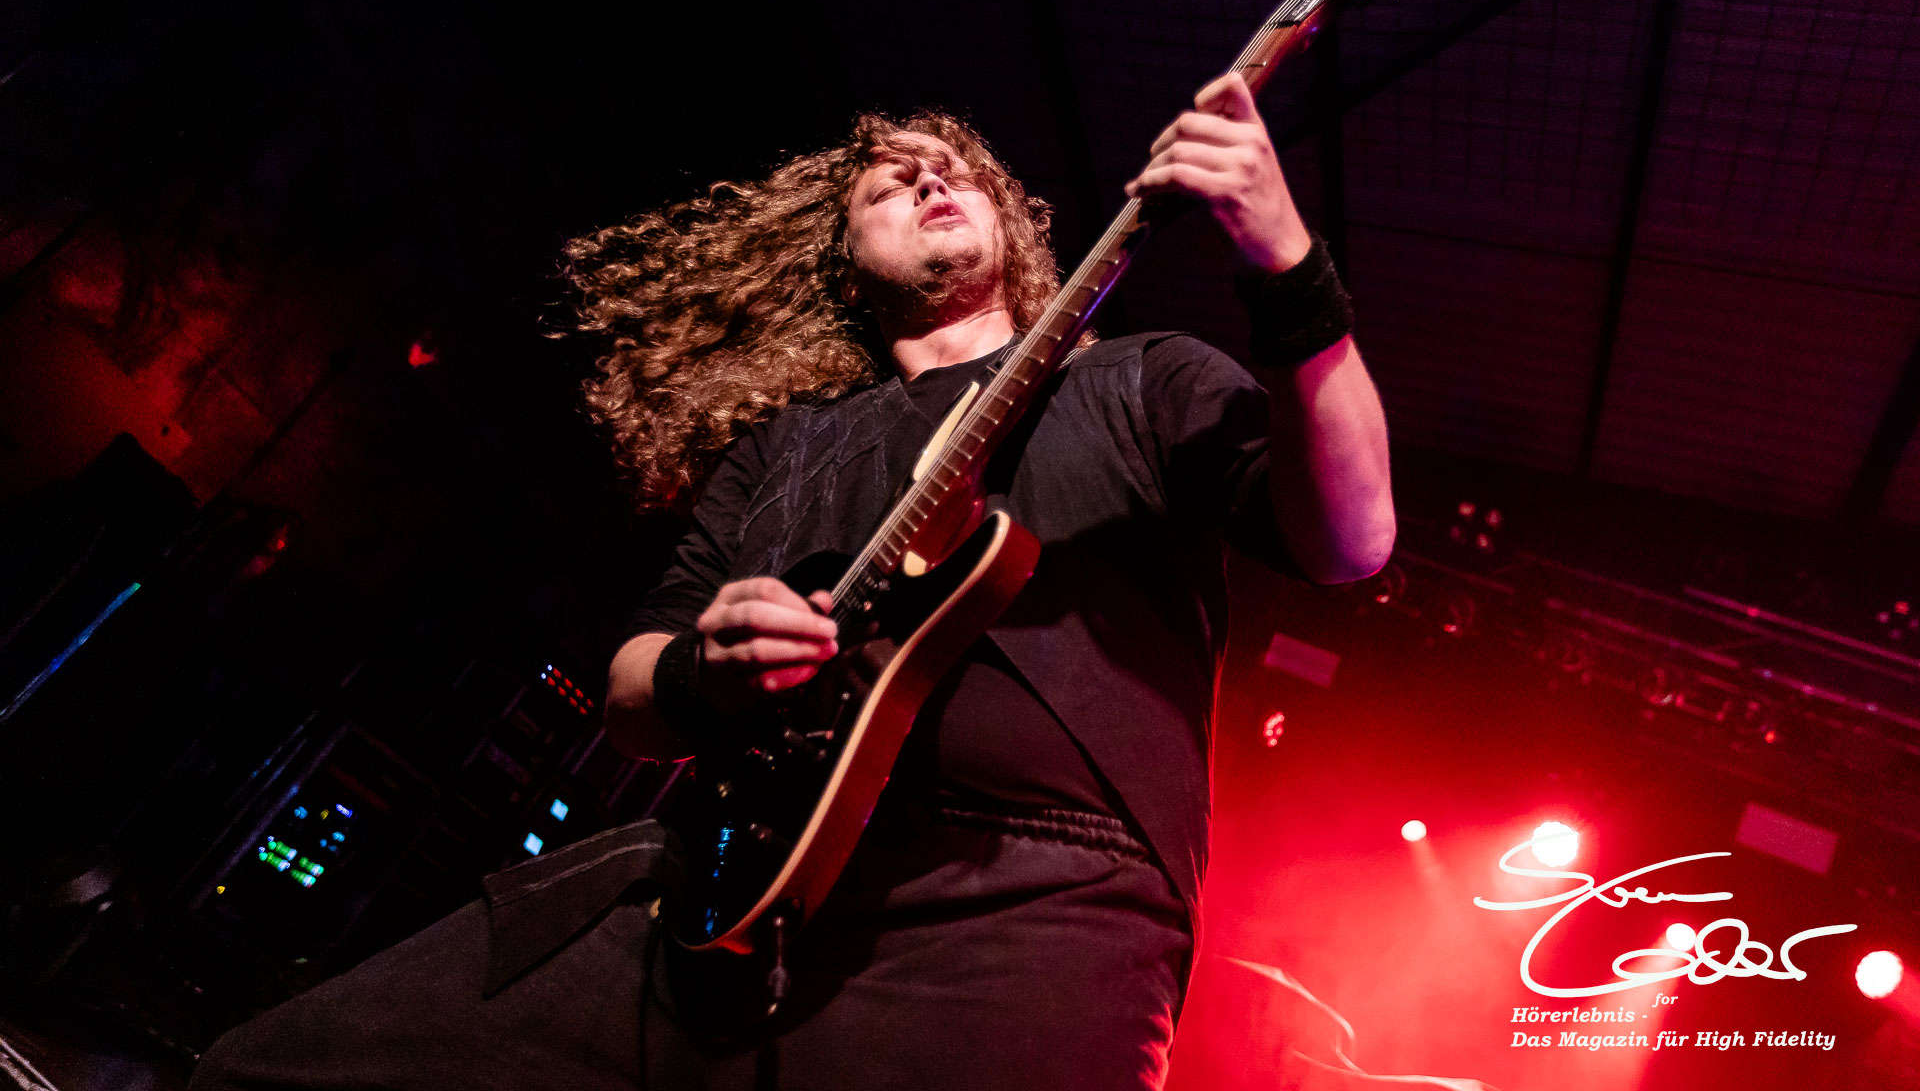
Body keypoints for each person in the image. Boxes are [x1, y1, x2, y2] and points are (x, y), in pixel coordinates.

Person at [191, 72, 1392, 1090]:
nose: (928, 177)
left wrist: (1287, 263)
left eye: (952, 171)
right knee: (277, 1067)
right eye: (887, 185)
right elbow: (630, 693)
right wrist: (706, 667)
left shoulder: (1140, 379)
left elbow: (1353, 536)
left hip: (1031, 913)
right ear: (845, 270)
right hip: (716, 881)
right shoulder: (784, 449)